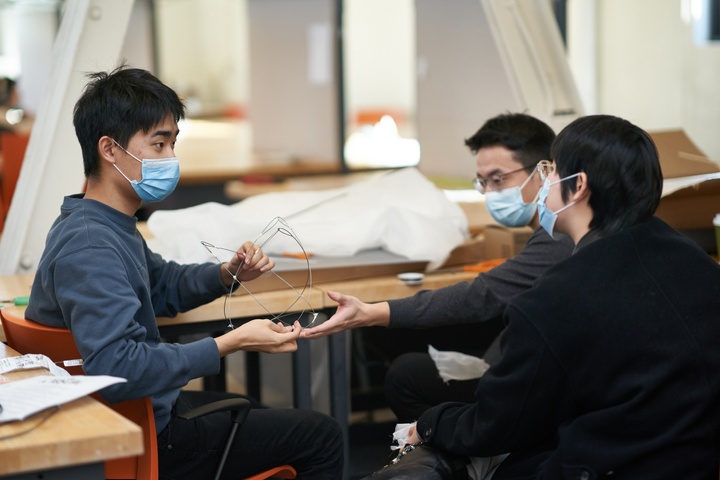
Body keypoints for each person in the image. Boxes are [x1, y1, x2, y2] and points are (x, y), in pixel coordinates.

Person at [25, 66, 343, 479]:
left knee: (264, 415)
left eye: (173, 144)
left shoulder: (101, 223)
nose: (170, 159)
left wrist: (227, 275)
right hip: (146, 432)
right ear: (109, 149)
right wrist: (230, 342)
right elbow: (120, 367)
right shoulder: (91, 245)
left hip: (145, 411)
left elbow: (162, 284)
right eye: (158, 144)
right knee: (322, 436)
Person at [390, 114, 720, 479]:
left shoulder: (557, 297)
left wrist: (428, 424)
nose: (545, 184)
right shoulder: (694, 260)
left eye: (551, 171)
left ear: (577, 185)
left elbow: (496, 424)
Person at [302, 113, 574, 422]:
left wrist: (371, 313)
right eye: (483, 182)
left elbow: (480, 296)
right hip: (534, 370)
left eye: (499, 180)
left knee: (405, 375)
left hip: (541, 386)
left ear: (544, 171)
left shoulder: (560, 237)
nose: (491, 193)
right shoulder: (555, 232)